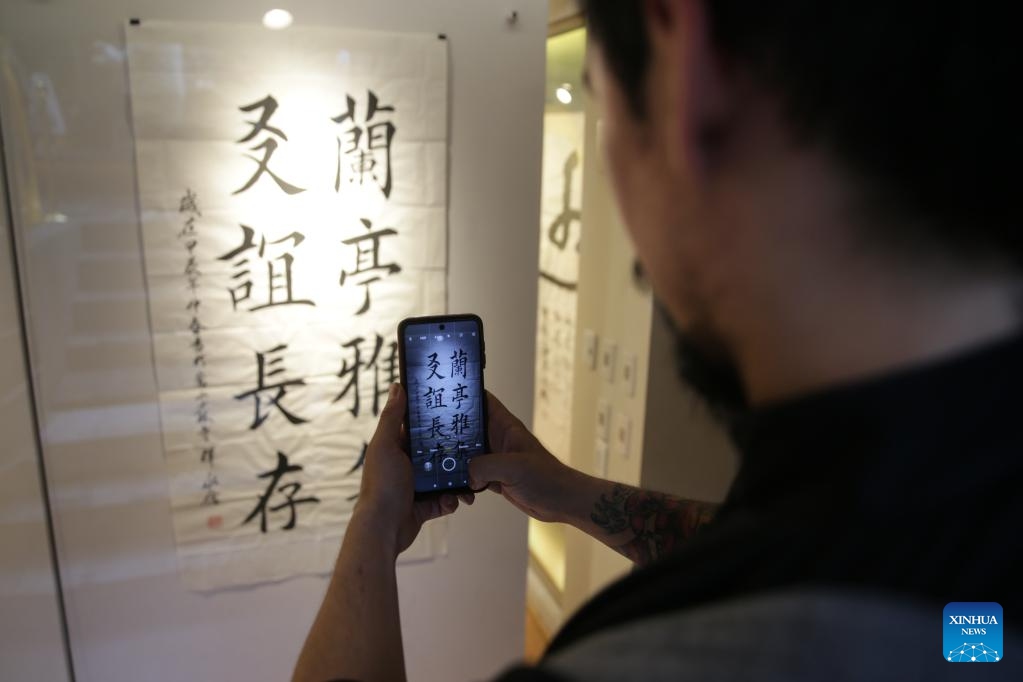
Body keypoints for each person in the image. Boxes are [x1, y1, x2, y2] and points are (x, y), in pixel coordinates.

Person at [293, 1, 1021, 679]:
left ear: (683, 60)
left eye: (598, 95)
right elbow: (839, 578)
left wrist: (373, 525)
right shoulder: (967, 607)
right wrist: (573, 494)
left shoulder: (651, 660)